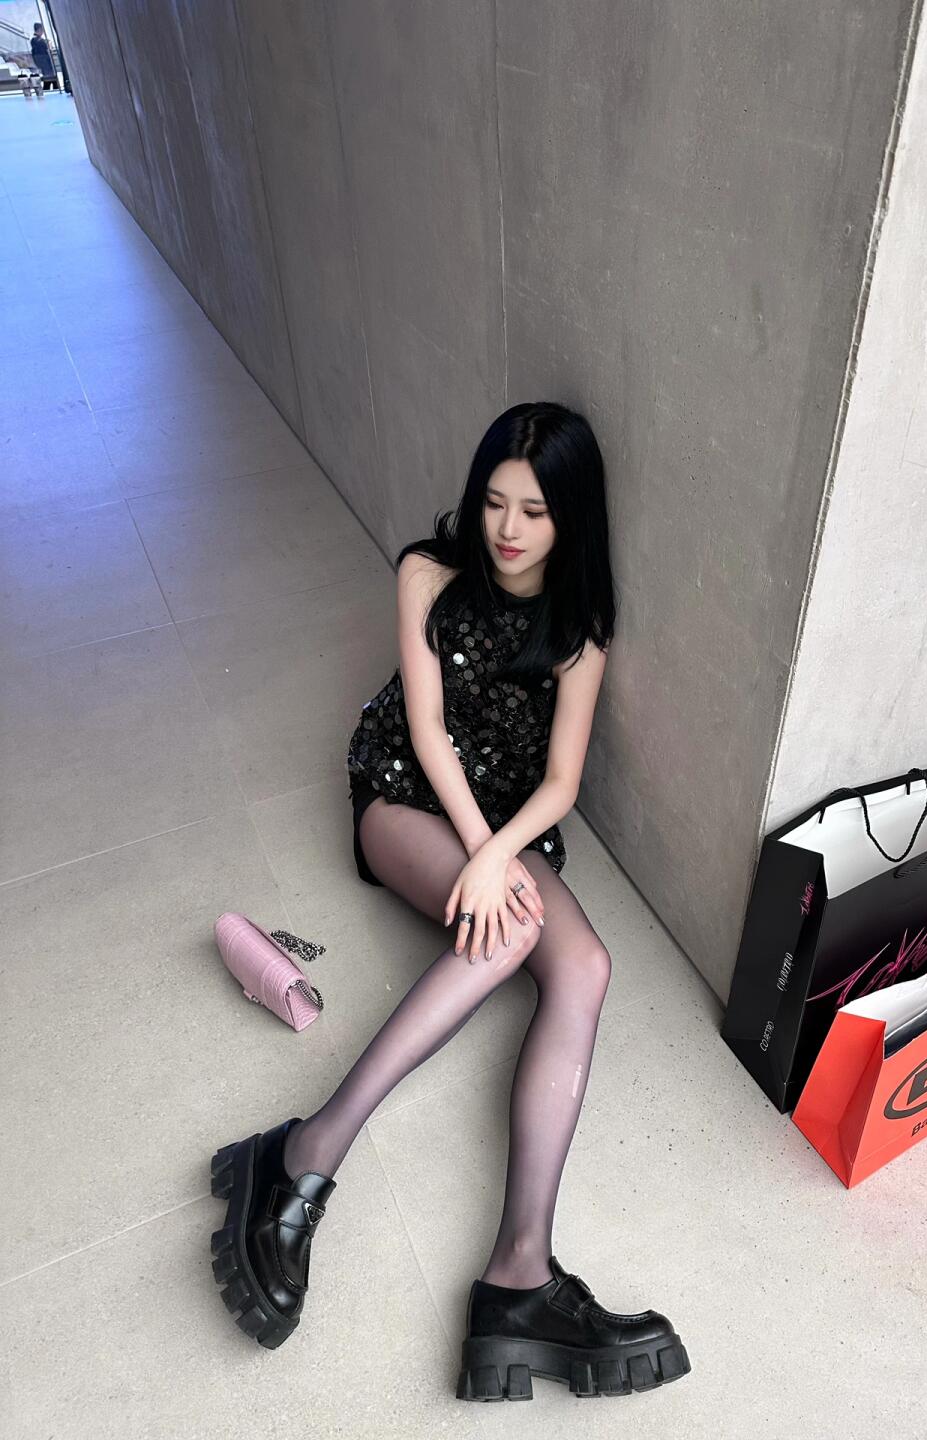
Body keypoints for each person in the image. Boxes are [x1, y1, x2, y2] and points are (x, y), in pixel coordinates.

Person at [208, 401, 691, 1401]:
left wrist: (498, 853)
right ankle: (303, 1153)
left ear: (571, 520)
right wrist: (480, 855)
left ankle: (519, 1275)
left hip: (503, 824)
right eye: (495, 503)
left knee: (586, 965)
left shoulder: (580, 632)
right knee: (508, 938)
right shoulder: (427, 574)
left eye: (536, 512)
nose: (508, 530)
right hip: (404, 797)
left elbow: (561, 782)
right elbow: (426, 732)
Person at [30, 23, 59, 91]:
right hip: (44, 62)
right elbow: (43, 48)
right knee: (50, 78)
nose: (43, 31)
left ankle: (53, 88)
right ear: (39, 30)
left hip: (44, 62)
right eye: (42, 30)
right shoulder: (36, 40)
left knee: (50, 80)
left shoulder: (38, 40)